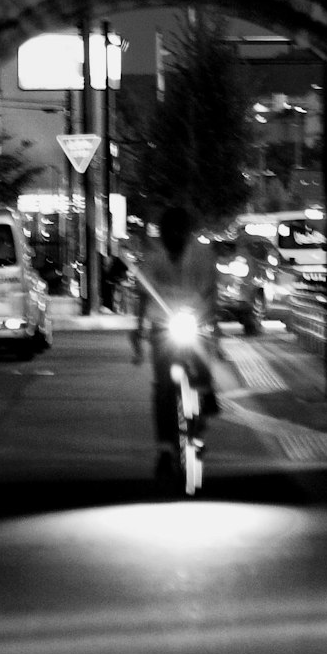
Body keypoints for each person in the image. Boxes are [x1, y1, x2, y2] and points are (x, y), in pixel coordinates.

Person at [130, 203, 219, 476]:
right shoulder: (154, 256)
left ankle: (205, 399)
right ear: (164, 233)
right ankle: (165, 448)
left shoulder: (202, 254)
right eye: (170, 231)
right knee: (162, 388)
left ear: (187, 232)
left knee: (202, 370)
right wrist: (137, 328)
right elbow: (143, 293)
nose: (175, 237)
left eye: (180, 231)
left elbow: (211, 292)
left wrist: (215, 326)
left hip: (196, 321)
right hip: (163, 325)